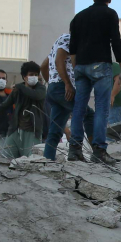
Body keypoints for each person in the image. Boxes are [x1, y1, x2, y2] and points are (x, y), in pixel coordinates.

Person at [68, 0, 121, 166]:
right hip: (101, 65)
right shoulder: (110, 14)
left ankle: (74, 150)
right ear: (109, 0)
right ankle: (99, 151)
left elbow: (72, 47)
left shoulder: (78, 17)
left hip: (81, 66)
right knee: (102, 108)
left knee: (79, 108)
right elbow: (115, 41)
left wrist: (76, 66)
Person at [43, 33, 96, 161]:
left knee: (55, 130)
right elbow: (58, 60)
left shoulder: (59, 42)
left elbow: (43, 66)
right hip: (64, 89)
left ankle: (47, 160)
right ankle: (97, 152)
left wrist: (51, 83)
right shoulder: (69, 39)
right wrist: (67, 83)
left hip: (56, 89)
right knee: (88, 114)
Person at [0, 61, 48, 159]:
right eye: (31, 74)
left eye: (36, 75)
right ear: (24, 77)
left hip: (32, 133)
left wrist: (20, 86)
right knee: (7, 159)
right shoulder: (18, 91)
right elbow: (4, 105)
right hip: (15, 131)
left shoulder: (41, 89)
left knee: (32, 161)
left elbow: (35, 95)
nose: (34, 77)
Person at [108, 62, 121, 131]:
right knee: (108, 136)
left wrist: (112, 95)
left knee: (114, 136)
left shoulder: (113, 66)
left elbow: (119, 81)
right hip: (108, 107)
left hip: (116, 106)